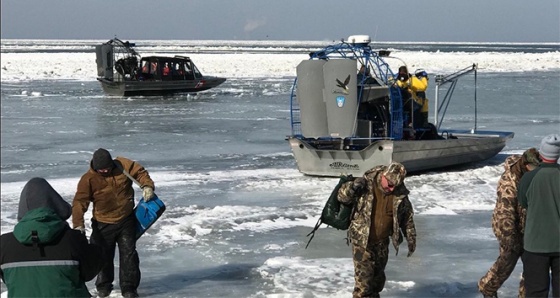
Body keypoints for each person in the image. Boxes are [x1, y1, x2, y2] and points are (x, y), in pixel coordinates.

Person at [72, 148, 155, 298]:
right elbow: (79, 202)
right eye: (101, 169)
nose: (105, 171)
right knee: (103, 255)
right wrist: (78, 225)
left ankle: (129, 287)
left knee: (129, 254)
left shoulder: (123, 165)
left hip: (126, 219)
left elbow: (140, 173)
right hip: (103, 223)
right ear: (96, 168)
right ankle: (104, 286)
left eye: (107, 168)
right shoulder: (88, 179)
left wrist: (147, 186)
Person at [0, 177, 103, 297]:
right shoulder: (72, 240)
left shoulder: (4, 244)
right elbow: (88, 273)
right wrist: (96, 249)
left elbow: (8, 279)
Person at [337, 161, 416, 297]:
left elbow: (407, 216)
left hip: (382, 243)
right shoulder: (366, 183)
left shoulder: (399, 193)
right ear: (384, 176)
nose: (392, 189)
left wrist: (411, 238)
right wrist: (352, 188)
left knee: (377, 283)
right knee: (363, 286)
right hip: (363, 242)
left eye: (395, 186)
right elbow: (342, 197)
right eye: (390, 185)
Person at [478, 148, 541, 298]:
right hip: (506, 225)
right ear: (526, 165)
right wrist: (509, 237)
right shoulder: (509, 180)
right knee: (507, 261)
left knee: (532, 265)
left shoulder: (535, 174)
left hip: (527, 226)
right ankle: (487, 287)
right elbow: (505, 211)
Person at [518, 134, 560, 298]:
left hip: (535, 243)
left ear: (541, 154)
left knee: (536, 292)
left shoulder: (529, 177)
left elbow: (523, 202)